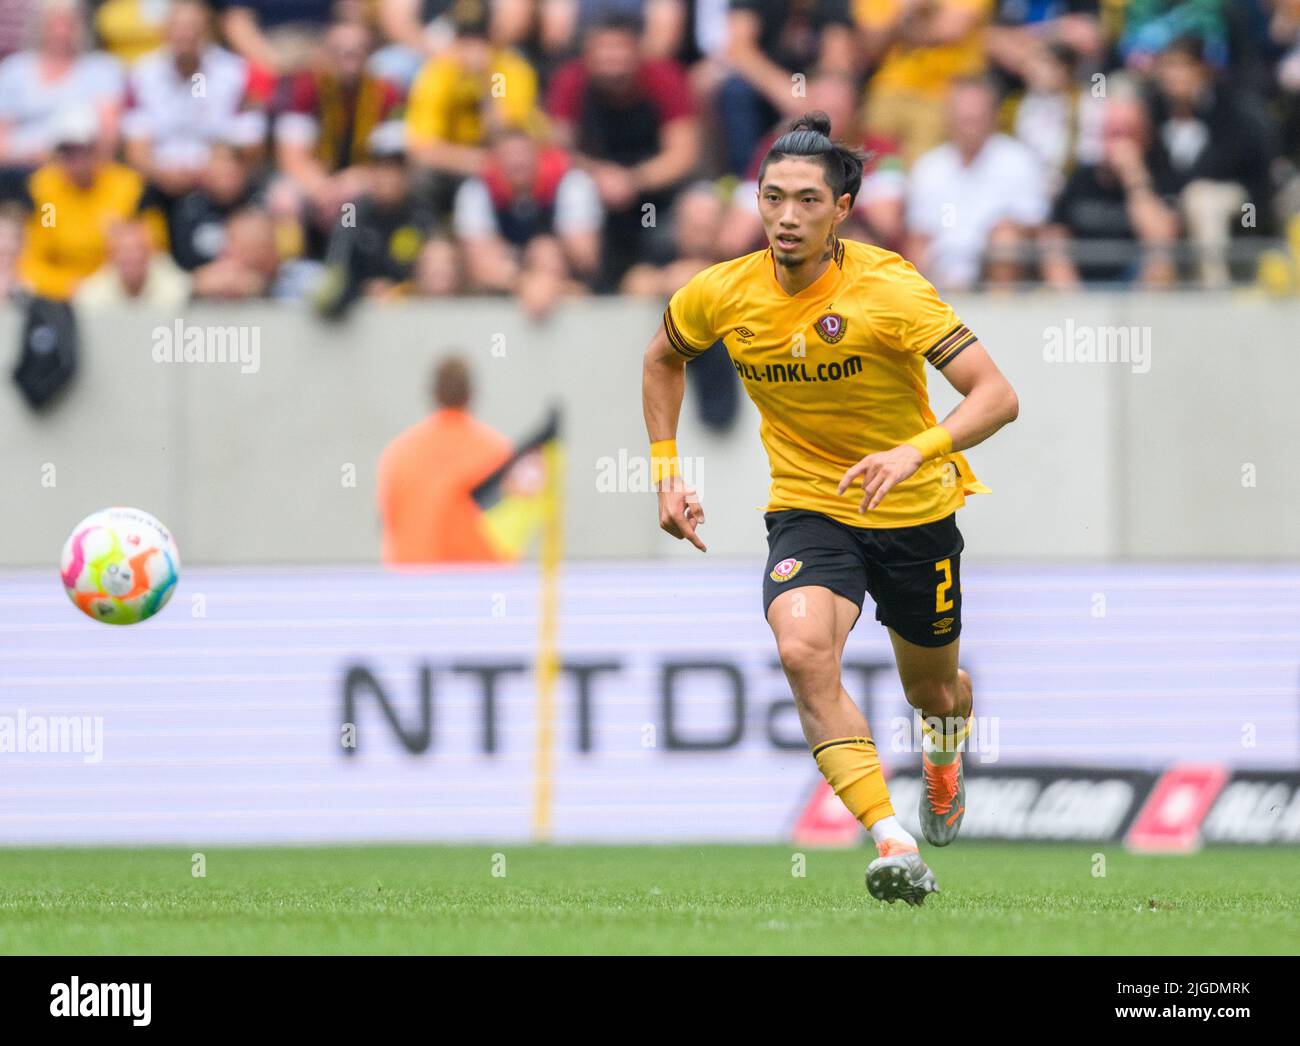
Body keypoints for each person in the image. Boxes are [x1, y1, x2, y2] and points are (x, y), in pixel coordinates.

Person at [640, 112, 1018, 905]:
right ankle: (890, 837)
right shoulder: (723, 291)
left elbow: (997, 396)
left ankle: (943, 760)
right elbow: (663, 356)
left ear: (841, 209)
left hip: (912, 508)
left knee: (933, 695)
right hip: (811, 508)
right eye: (772, 197)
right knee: (803, 648)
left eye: (807, 200)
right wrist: (666, 472)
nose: (785, 216)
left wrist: (917, 449)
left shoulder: (891, 289)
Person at [377, 357, 513, 565]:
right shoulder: (498, 451)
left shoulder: (398, 453)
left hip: (412, 582)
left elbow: (388, 520)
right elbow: (511, 524)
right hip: (482, 581)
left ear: (433, 394)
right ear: (471, 394)